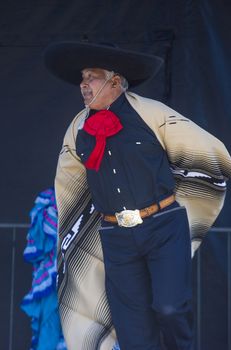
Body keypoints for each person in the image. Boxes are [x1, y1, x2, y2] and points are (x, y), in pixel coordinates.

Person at [44, 41, 231, 350]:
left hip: (164, 227)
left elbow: (210, 154)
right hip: (116, 237)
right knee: (133, 331)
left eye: (91, 77)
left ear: (114, 81)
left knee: (170, 309)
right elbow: (69, 185)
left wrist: (185, 199)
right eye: (82, 78)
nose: (83, 85)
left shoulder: (153, 114)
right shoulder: (78, 129)